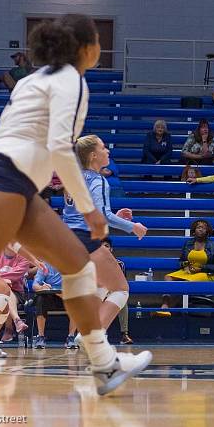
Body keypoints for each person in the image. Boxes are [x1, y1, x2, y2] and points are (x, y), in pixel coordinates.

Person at [0, 14, 151, 395]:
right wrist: (90, 209)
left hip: (16, 184)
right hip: (4, 178)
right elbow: (62, 146)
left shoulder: (33, 80)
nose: (99, 47)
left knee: (77, 266)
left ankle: (104, 364)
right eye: (96, 40)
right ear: (85, 48)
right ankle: (104, 362)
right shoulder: (72, 81)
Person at [63, 134, 148, 340]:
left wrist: (114, 217)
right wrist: (132, 226)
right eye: (103, 147)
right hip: (84, 239)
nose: (107, 150)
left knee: (102, 286)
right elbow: (101, 216)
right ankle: (92, 336)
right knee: (121, 289)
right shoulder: (98, 180)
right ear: (93, 155)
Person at [156, 220, 214, 315]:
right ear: (194, 230)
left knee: (185, 283)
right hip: (189, 271)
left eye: (203, 228)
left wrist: (201, 268)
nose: (201, 229)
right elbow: (181, 260)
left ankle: (167, 309)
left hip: (206, 273)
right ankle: (165, 305)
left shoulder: (213, 245)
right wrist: (185, 265)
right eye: (198, 227)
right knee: (168, 277)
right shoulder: (188, 243)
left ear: (207, 231)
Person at [32, 263, 78, 349]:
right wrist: (41, 287)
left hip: (67, 295)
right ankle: (40, 337)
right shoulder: (45, 266)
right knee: (40, 299)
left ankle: (71, 337)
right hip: (50, 296)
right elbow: (35, 285)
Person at [0, 244, 32, 342]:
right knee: (4, 290)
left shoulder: (24, 259)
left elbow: (14, 276)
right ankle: (16, 321)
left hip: (16, 292)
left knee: (5, 291)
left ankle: (8, 329)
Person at [101, 238, 133, 345]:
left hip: (113, 292)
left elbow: (121, 285)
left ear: (111, 249)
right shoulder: (94, 263)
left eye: (106, 246)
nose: (104, 248)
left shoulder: (120, 264)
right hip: (98, 292)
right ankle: (98, 334)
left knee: (123, 302)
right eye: (102, 246)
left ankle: (125, 335)